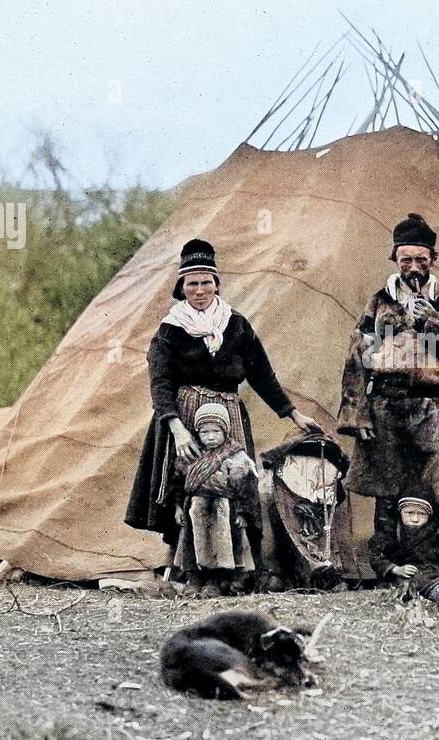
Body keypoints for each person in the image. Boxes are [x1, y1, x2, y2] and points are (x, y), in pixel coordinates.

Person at [125, 238, 319, 590]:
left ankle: (236, 571)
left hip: (227, 416)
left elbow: (262, 374)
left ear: (217, 283)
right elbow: (160, 382)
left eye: (206, 282)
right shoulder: (170, 330)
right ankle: (186, 572)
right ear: (181, 287)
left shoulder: (236, 325)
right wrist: (176, 430)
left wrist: (292, 415)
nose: (199, 291)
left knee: (233, 487)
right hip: (183, 416)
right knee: (190, 487)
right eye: (192, 284)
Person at [337, 213, 439, 557]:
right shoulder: (378, 303)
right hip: (386, 407)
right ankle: (386, 560)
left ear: (433, 260)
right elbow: (357, 355)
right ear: (396, 260)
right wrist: (357, 414)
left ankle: (429, 560)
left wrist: (432, 322)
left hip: (433, 408)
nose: (414, 266)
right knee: (387, 487)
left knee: (434, 487)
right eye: (407, 259)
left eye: (421, 259)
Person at [173, 403, 260, 597]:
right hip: (195, 509)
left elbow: (246, 487)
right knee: (192, 545)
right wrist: (178, 507)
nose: (210, 436)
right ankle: (194, 581)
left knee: (220, 546)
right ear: (197, 433)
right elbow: (178, 482)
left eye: (216, 431)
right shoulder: (191, 455)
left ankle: (215, 583)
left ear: (225, 431)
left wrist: (243, 512)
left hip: (223, 509)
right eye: (205, 432)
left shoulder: (235, 455)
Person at [370, 497, 439, 611]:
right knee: (401, 593)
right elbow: (376, 556)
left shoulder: (437, 532)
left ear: (429, 516)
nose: (415, 519)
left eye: (421, 514)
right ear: (400, 513)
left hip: (432, 579)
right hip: (402, 579)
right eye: (409, 513)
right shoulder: (392, 532)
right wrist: (396, 569)